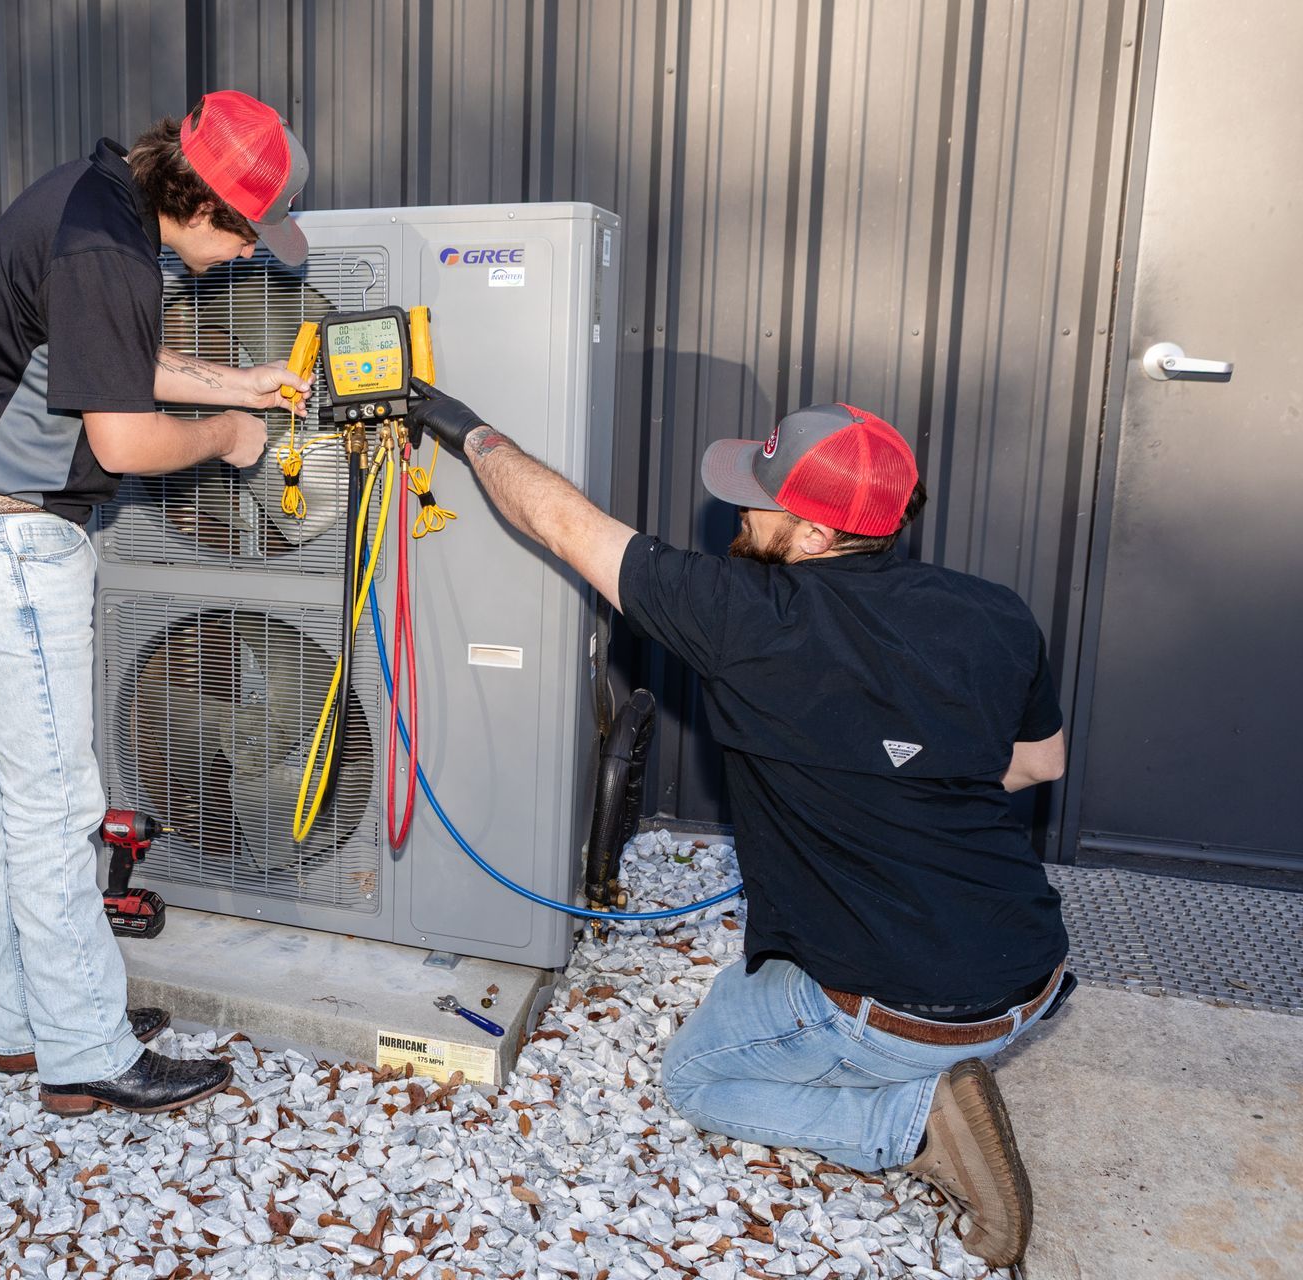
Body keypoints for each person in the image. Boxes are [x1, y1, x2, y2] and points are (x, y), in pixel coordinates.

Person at [407, 387, 1069, 1267]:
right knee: (766, 978)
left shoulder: (744, 617)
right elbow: (1037, 765)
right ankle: (911, 1062)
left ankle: (913, 1124)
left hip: (906, 1012)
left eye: (763, 500)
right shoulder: (996, 611)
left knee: (698, 1078)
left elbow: (562, 524)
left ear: (815, 537)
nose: (740, 506)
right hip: (1029, 971)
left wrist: (463, 428)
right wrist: (905, 762)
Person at [0, 91, 313, 1116]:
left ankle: (26, 1025)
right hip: (6, 547)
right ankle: (84, 1053)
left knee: (9, 797)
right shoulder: (105, 249)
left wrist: (241, 386)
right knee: (56, 808)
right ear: (208, 204)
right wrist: (225, 439)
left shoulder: (95, 207)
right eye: (249, 236)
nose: (246, 258)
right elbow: (123, 440)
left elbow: (112, 363)